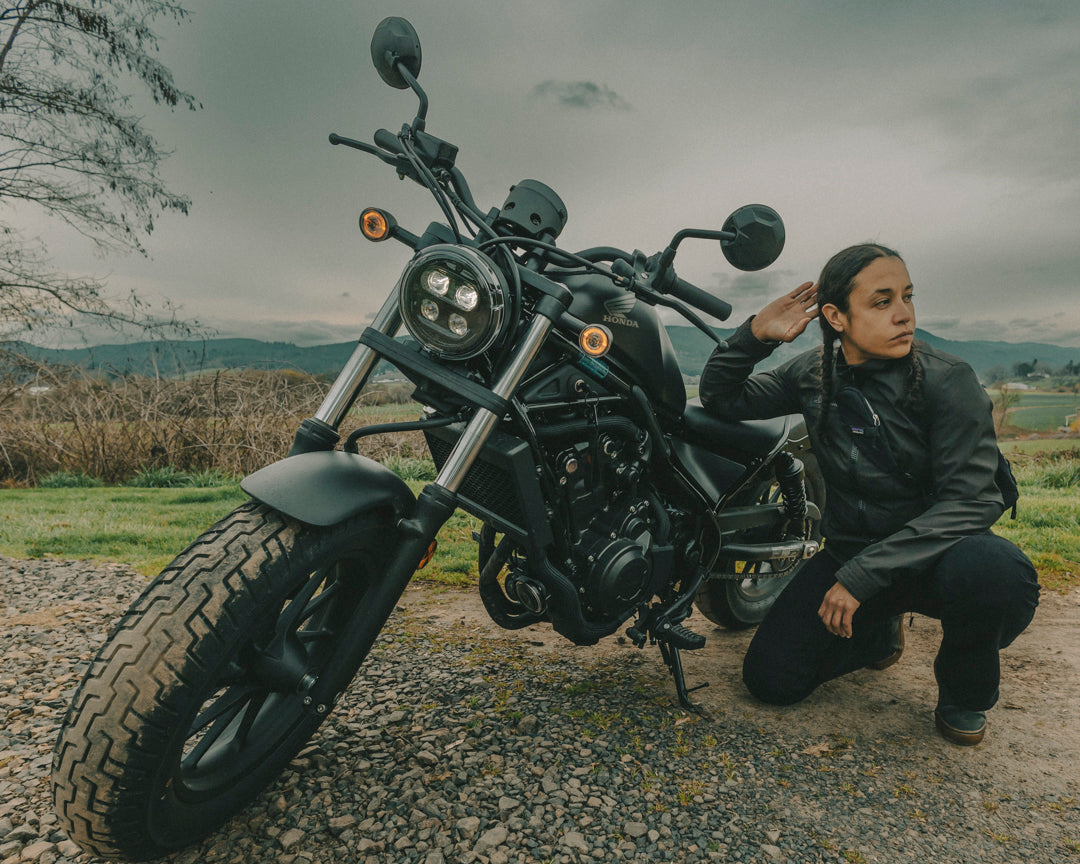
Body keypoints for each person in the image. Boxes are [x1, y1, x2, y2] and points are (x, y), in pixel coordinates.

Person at [699, 243, 1039, 745]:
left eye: (907, 297)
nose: (904, 314)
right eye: (882, 302)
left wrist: (861, 578)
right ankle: (877, 630)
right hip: (851, 551)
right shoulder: (813, 374)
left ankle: (964, 693)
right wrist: (753, 336)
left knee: (994, 573)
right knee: (771, 680)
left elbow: (972, 501)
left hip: (937, 556)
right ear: (836, 316)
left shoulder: (948, 381)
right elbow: (722, 398)